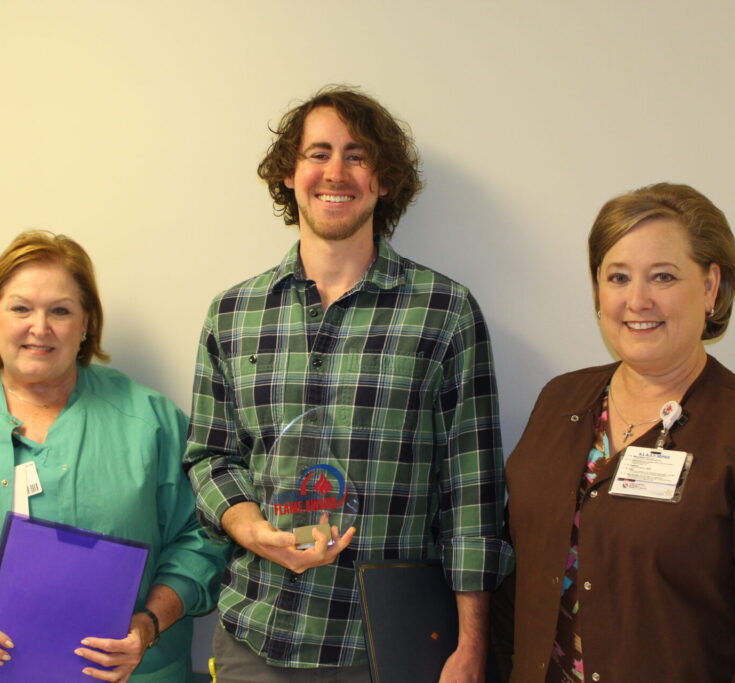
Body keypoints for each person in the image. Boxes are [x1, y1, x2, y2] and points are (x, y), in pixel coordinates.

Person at [183, 86, 512, 682]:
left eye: (357, 155)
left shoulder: (445, 312)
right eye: (318, 153)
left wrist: (471, 646)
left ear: (384, 181)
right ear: (289, 173)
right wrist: (250, 527)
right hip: (258, 638)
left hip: (391, 647)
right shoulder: (233, 313)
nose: (336, 172)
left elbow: (473, 493)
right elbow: (210, 457)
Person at [0, 231, 230, 682]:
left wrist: (147, 624)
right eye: (20, 308)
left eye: (61, 311)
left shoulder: (150, 423)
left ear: (87, 324)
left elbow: (203, 538)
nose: (40, 327)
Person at [501, 183, 735, 682]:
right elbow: (518, 570)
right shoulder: (561, 402)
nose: (637, 300)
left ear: (710, 288)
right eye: (618, 277)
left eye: (662, 276)